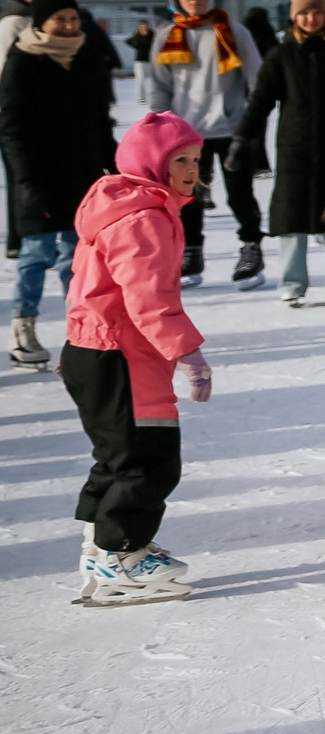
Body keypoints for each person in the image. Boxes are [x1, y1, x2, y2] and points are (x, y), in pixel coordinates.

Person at [63, 111, 211, 606]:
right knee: (147, 459)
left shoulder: (125, 204)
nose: (192, 170)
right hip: (122, 355)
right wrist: (187, 350)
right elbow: (148, 296)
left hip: (98, 350)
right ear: (151, 164)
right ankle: (120, 558)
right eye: (180, 160)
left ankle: (99, 550)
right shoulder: (143, 216)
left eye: (196, 159)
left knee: (116, 457)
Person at [1, 0, 118, 369]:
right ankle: (24, 327)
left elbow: (99, 121)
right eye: (59, 20)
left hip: (83, 176)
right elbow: (12, 129)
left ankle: (81, 330)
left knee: (78, 257)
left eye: (72, 19)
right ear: (41, 23)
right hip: (38, 177)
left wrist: (114, 167)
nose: (69, 26)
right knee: (36, 255)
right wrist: (27, 182)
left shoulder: (86, 57)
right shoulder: (22, 62)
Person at [142, 0, 266, 290]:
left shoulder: (233, 31)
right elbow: (160, 85)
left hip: (230, 129)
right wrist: (160, 123)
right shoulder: (167, 36)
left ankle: (251, 247)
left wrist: (250, 123)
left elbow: (258, 79)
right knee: (189, 196)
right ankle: (191, 252)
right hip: (185, 132)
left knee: (240, 194)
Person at [234, 0, 325, 308]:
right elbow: (261, 100)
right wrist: (242, 138)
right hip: (295, 145)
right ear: (293, 17)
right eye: (304, 13)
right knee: (292, 215)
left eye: (317, 12)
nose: (311, 18)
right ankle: (292, 282)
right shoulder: (281, 55)